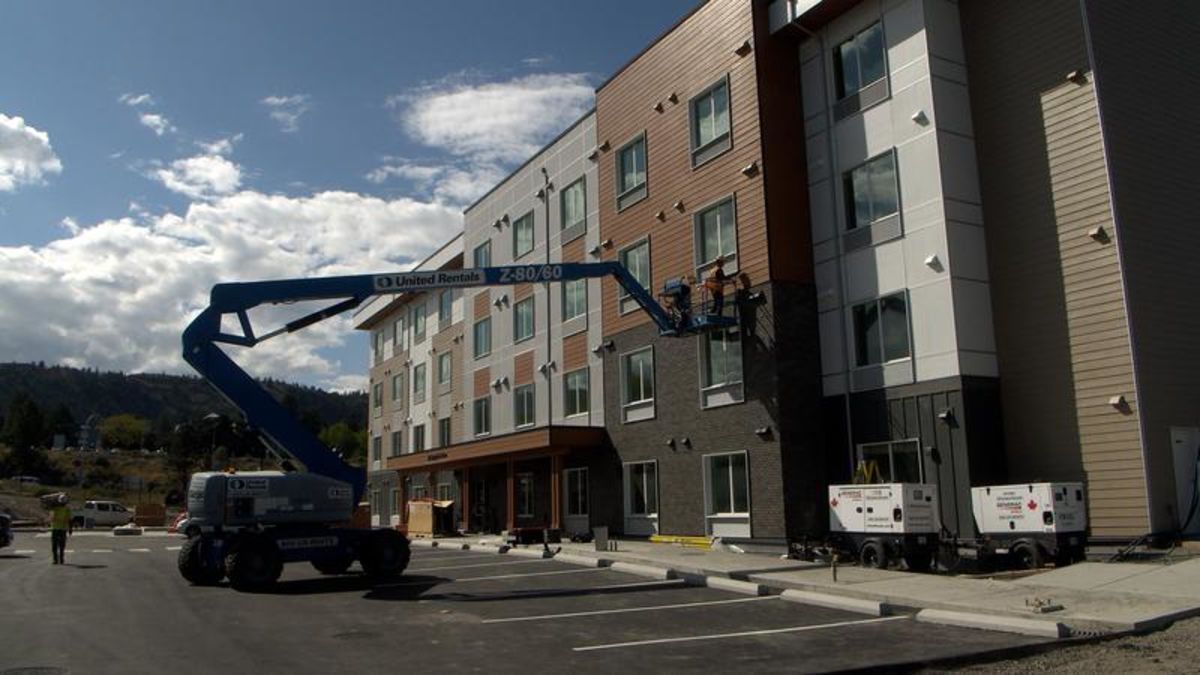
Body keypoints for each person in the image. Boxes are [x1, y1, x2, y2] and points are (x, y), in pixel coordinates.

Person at [50, 493, 73, 565]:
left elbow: (52, 518)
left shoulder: (55, 508)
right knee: (61, 545)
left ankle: (56, 560)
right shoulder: (65, 509)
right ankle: (60, 559)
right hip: (61, 529)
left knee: (56, 545)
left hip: (56, 528)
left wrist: (70, 528)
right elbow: (70, 520)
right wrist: (70, 529)